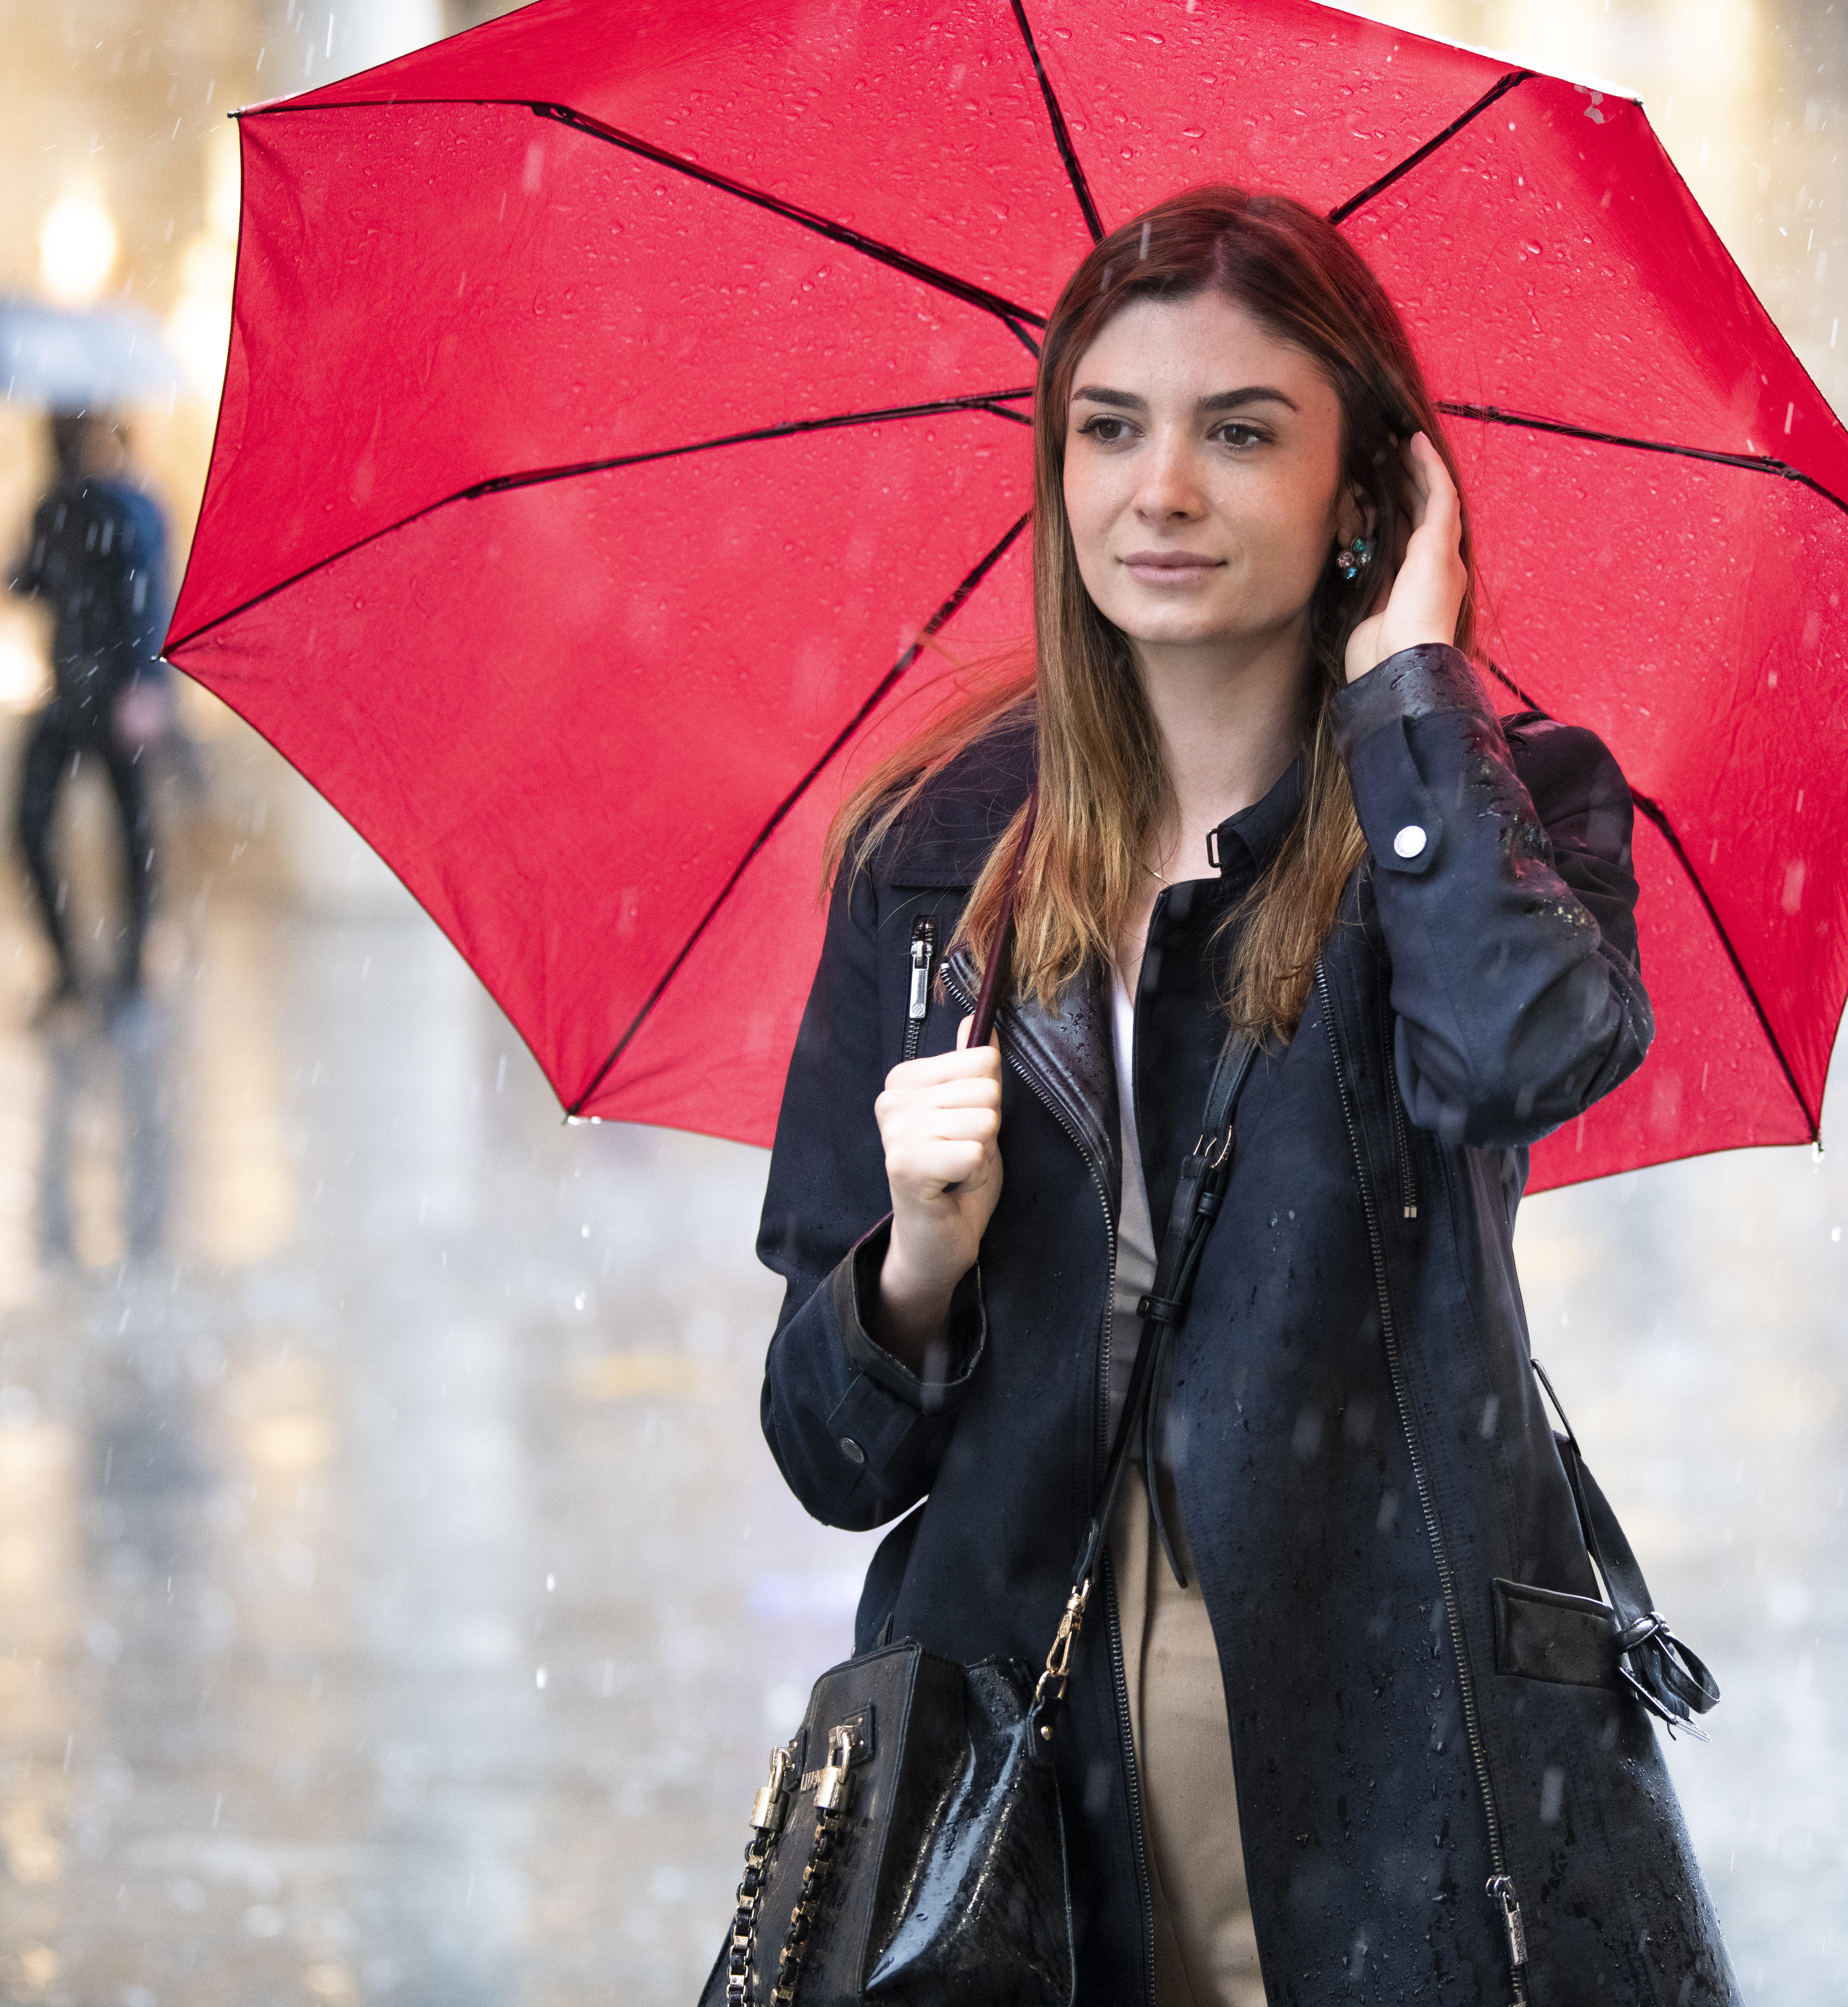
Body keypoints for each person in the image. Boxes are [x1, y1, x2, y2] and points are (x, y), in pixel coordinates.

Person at [753, 187, 1733, 2006]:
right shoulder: (932, 855)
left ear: (1367, 498)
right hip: (1017, 1785)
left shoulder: (1488, 818)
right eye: (1108, 428)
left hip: (1392, 1757)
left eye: (1241, 432)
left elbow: (1524, 1055)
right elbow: (829, 1453)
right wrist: (913, 1265)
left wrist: (1411, 697)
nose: (1162, 490)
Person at [7, 409, 172, 1013]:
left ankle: (131, 977)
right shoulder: (53, 509)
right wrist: (16, 569)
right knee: (33, 824)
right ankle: (74, 971)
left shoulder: (120, 508)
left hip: (113, 692)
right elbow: (39, 582)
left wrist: (143, 686)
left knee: (132, 832)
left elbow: (144, 601)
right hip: (70, 693)